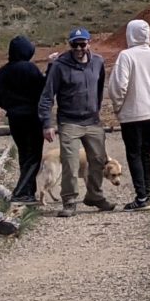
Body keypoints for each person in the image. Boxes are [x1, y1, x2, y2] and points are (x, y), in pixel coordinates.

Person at [38, 27, 111, 215]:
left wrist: (96, 109)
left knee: (98, 160)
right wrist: (47, 123)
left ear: (89, 43)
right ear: (69, 45)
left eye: (82, 44)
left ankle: (94, 195)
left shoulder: (98, 62)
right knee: (70, 162)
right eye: (74, 45)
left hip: (92, 120)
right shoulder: (59, 66)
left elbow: (99, 88)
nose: (79, 49)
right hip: (69, 121)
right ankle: (69, 201)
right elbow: (47, 96)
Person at [110, 18, 150, 211]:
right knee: (145, 154)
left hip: (131, 114)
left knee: (134, 154)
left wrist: (118, 106)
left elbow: (119, 86)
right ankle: (147, 194)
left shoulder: (126, 56)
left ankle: (141, 197)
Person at [0, 35, 46, 206]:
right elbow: (42, 90)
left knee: (24, 154)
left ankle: (29, 192)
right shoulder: (30, 69)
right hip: (32, 118)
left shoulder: (3, 71)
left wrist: (12, 107)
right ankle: (21, 192)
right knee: (34, 156)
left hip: (14, 119)